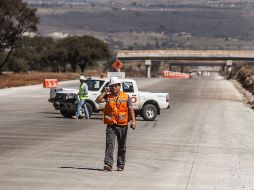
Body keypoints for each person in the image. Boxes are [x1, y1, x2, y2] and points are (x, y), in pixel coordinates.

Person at [95, 76, 136, 171]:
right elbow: (97, 100)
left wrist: (133, 121)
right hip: (111, 125)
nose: (114, 88)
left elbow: (130, 110)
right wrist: (104, 92)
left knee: (122, 146)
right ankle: (108, 164)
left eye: (116, 86)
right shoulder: (108, 96)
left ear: (119, 86)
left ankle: (120, 165)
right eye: (112, 86)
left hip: (122, 125)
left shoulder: (126, 97)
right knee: (110, 144)